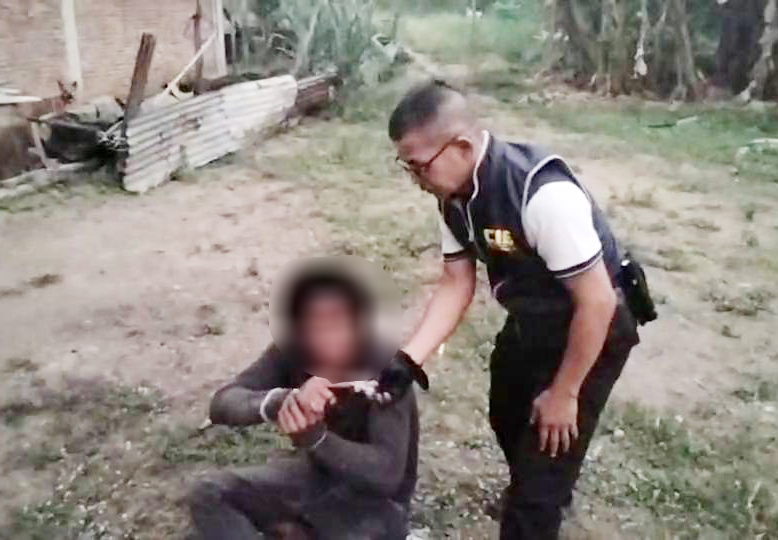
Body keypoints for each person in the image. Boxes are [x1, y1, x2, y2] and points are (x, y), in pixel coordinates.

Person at [377, 80, 643, 539]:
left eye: (420, 167)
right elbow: (457, 282)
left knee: (539, 480)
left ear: (461, 146)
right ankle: (541, 483)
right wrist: (408, 360)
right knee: (506, 412)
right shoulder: (454, 197)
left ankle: (540, 498)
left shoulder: (542, 196)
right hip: (532, 322)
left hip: (594, 328)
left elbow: (597, 301)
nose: (416, 180)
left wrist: (565, 393)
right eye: (407, 167)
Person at [187, 268, 418, 540]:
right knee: (211, 493)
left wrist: (316, 438)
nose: (324, 337)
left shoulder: (388, 372)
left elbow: (386, 475)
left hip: (373, 507)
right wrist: (278, 403)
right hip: (316, 479)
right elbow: (223, 403)